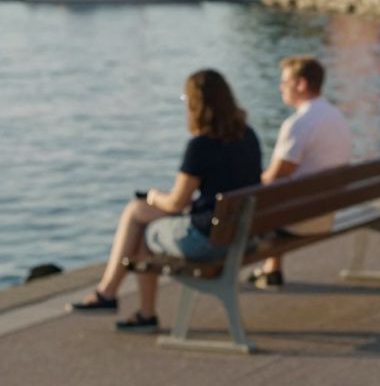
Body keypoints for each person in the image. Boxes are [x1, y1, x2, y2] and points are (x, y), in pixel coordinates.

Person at [68, 70, 261, 332]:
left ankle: (121, 300)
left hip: (210, 242)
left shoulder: (201, 146)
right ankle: (112, 295)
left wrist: (152, 195)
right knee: (140, 216)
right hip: (244, 235)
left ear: (196, 104)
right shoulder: (248, 136)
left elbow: (175, 204)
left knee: (141, 222)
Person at [245, 56, 352, 289]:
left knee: (253, 197)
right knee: (280, 194)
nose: (280, 87)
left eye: (285, 82)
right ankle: (271, 270)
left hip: (303, 219)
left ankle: (264, 270)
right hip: (329, 211)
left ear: (301, 84)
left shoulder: (298, 123)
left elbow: (275, 176)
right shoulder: (336, 115)